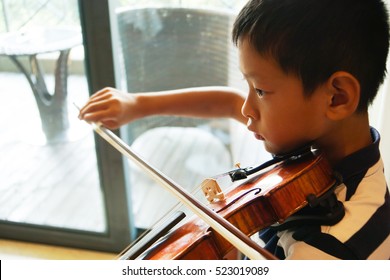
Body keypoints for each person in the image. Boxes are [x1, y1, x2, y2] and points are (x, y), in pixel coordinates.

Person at [79, 0, 390, 259]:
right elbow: (227, 103)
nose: (246, 108)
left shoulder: (324, 250)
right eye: (249, 86)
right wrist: (137, 104)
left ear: (337, 97)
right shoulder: (321, 146)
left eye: (261, 91)